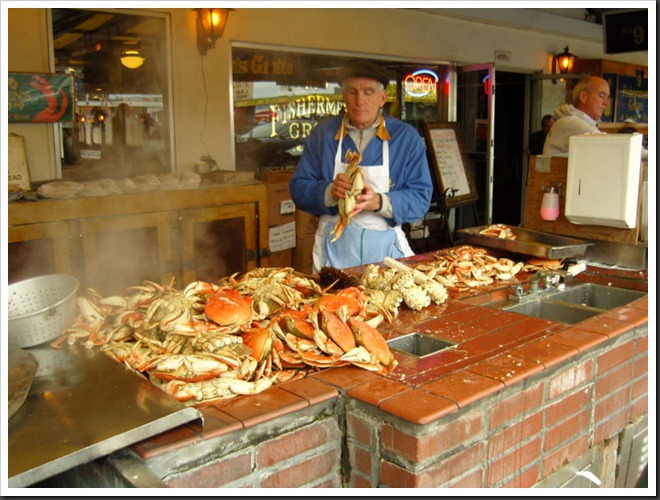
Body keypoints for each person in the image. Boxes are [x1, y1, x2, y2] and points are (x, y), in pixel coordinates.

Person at [289, 60, 433, 273]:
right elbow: (299, 187)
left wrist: (379, 201)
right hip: (334, 252)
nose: (360, 100)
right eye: (352, 91)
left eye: (368, 92)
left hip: (386, 255)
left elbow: (420, 197)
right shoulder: (324, 134)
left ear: (382, 98)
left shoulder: (405, 137)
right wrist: (329, 192)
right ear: (343, 96)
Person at [542, 75, 610, 156]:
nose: (606, 103)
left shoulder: (577, 121)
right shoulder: (571, 122)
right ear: (583, 96)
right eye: (601, 96)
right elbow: (609, 146)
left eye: (607, 97)